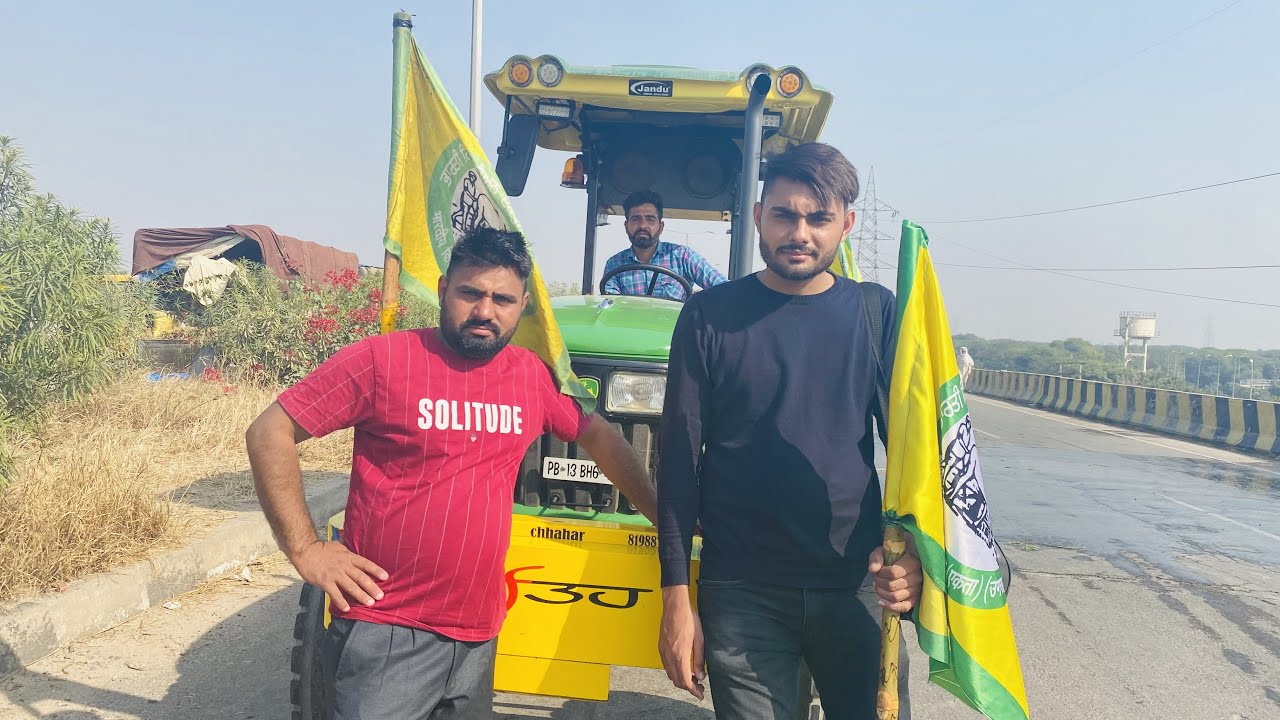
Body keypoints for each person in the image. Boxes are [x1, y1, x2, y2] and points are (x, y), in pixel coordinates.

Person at [246, 227, 657, 720]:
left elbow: (601, 437)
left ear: (522, 305)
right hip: (388, 631)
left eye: (502, 299)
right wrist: (305, 548)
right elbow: (269, 432)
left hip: (479, 634)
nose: (485, 311)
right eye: (471, 293)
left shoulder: (529, 375)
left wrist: (662, 517)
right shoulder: (384, 360)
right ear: (443, 290)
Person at [656, 142, 924, 720]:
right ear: (758, 216)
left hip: (858, 584)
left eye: (819, 218)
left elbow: (918, 457)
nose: (799, 232)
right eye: (784, 214)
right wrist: (676, 597)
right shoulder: (708, 317)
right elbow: (677, 464)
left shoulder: (876, 315)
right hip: (742, 593)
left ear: (845, 225)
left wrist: (916, 561)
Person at [602, 190, 727, 301]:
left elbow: (723, 288)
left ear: (661, 227)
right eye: (636, 219)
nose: (642, 226)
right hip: (630, 326)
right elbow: (611, 306)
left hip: (674, 327)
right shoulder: (614, 264)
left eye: (650, 219)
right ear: (626, 226)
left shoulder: (683, 256)